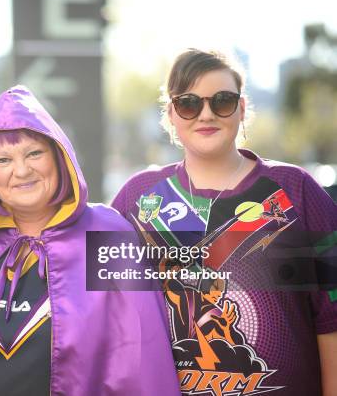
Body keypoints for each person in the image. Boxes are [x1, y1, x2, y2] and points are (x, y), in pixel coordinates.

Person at [111, 48, 337, 396]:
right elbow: (100, 317)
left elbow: (331, 318)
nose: (206, 115)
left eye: (222, 101)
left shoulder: (294, 188)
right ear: (171, 113)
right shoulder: (137, 198)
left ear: (242, 108)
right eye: (189, 103)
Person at [0, 85, 180, 395]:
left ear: (59, 155)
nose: (22, 170)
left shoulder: (108, 236)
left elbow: (144, 362)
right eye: (2, 160)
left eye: (34, 153)